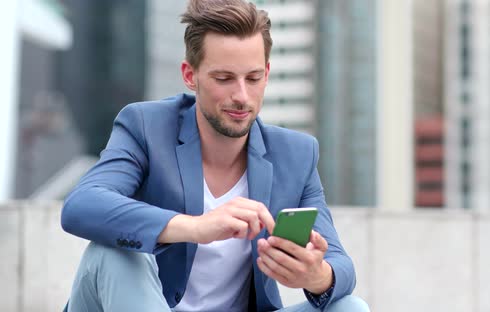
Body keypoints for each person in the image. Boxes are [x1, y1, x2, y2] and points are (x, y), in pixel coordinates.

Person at [61, 0, 369, 311]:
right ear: (189, 74)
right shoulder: (145, 127)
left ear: (267, 73)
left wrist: (316, 275)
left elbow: (340, 265)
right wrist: (196, 227)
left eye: (253, 78)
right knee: (112, 253)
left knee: (350, 308)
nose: (241, 96)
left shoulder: (296, 155)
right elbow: (82, 205)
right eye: (223, 79)